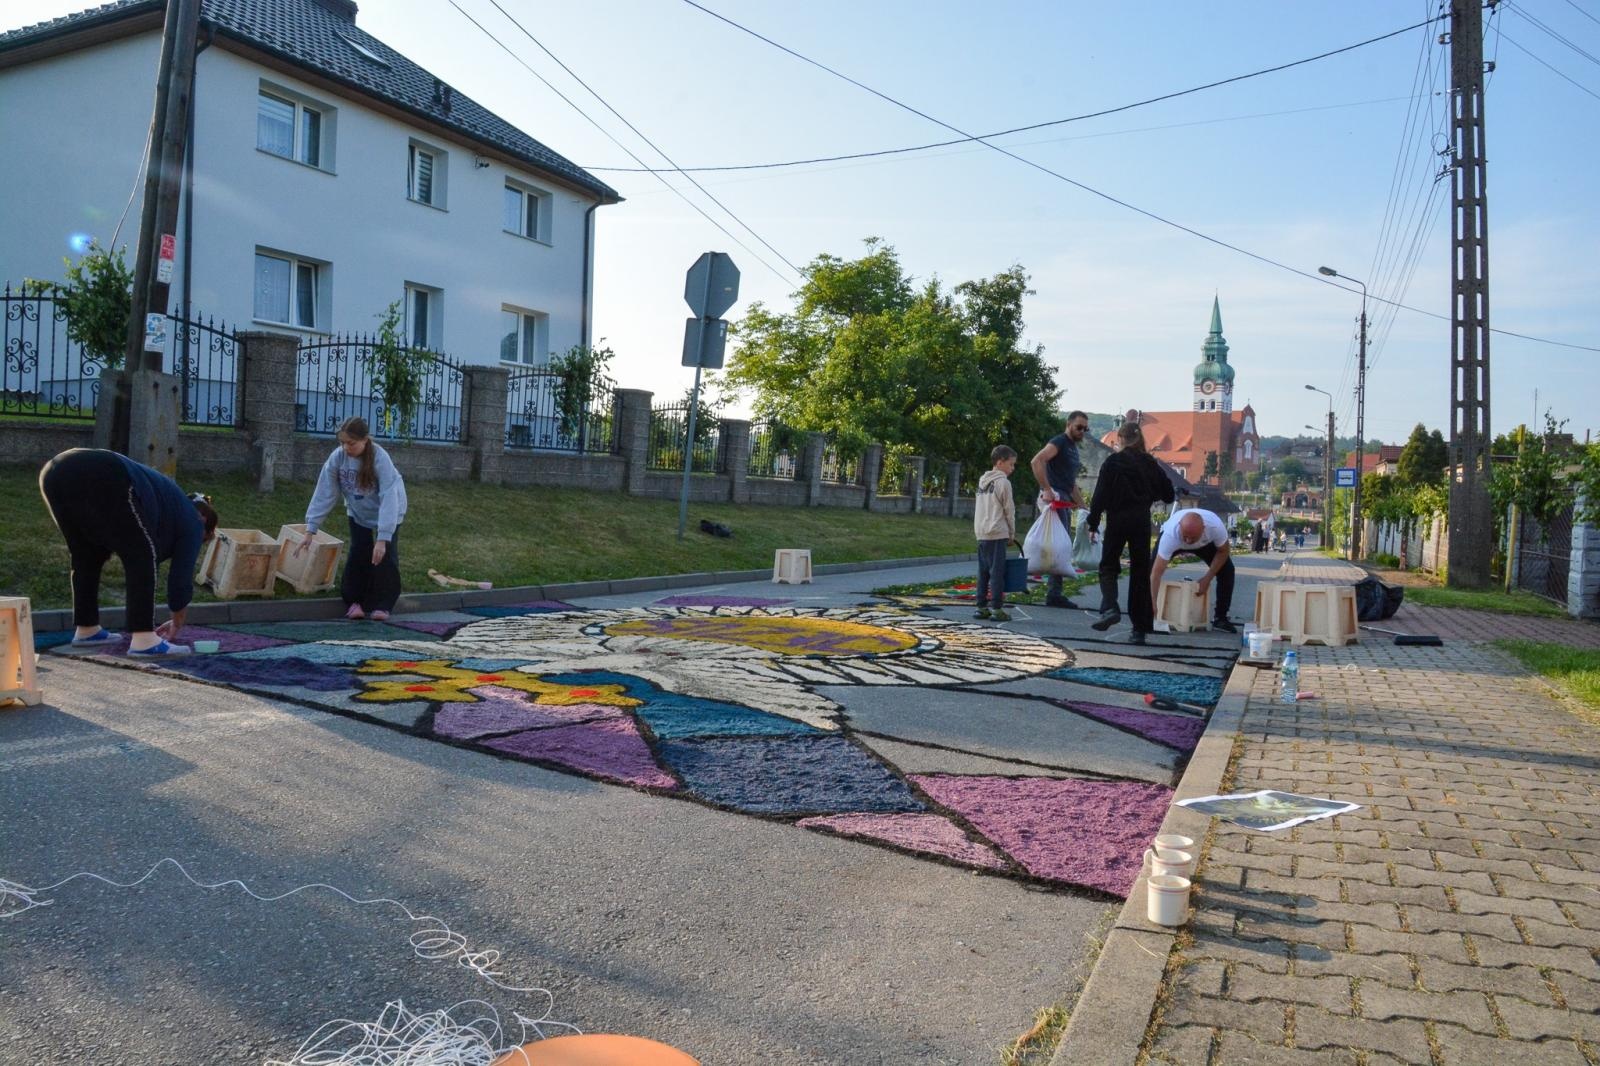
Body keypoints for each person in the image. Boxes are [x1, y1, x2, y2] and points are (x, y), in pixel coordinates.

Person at [38, 448, 217, 655]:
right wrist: (178, 621)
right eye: (203, 540)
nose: (198, 543)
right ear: (204, 523)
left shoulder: (171, 506)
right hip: (108, 472)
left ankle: (87, 629)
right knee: (140, 554)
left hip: (53, 473)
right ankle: (145, 639)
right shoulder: (194, 521)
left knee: (86, 554)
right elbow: (180, 578)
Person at [300, 416, 408, 621]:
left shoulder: (379, 458)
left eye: (351, 443)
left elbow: (389, 496)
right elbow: (325, 492)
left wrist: (383, 538)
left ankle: (383, 605)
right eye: (342, 442)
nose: (346, 447)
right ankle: (355, 601)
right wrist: (310, 529)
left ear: (365, 439)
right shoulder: (338, 458)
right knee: (359, 552)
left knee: (384, 557)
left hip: (389, 510)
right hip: (358, 511)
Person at [1084, 423, 1174, 645]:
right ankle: (1139, 629)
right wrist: (1150, 494)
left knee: (1108, 565)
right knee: (1140, 573)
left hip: (1117, 519)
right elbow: (1169, 494)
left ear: (1121, 439)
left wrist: (1093, 522)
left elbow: (1100, 495)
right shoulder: (1150, 463)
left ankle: (1110, 608)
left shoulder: (1112, 462)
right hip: (1141, 521)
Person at [1029, 410, 1091, 607]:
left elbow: (1070, 482)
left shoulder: (1072, 448)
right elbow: (1037, 461)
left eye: (1085, 429)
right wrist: (1047, 489)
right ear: (1069, 424)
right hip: (1055, 499)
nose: (1082, 431)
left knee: (1060, 544)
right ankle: (1053, 593)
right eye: (1079, 427)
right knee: (1059, 544)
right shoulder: (1060, 442)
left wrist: (1082, 505)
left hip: (1064, 496)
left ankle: (1054, 591)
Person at [1149, 507, 1238, 633]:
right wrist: (1152, 601)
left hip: (1204, 545)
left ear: (1204, 529)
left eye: (1192, 537)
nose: (1188, 541)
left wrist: (1207, 578)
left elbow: (1223, 552)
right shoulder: (1171, 535)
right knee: (1149, 569)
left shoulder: (1215, 527)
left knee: (1227, 571)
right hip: (1176, 542)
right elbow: (1156, 573)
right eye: (1186, 536)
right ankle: (1145, 611)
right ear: (1180, 526)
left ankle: (1220, 618)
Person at [972, 445, 1018, 622]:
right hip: (997, 532)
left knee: (983, 571)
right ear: (1000, 462)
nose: (1012, 468)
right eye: (1011, 464)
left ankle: (981, 606)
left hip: (982, 532)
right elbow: (1009, 510)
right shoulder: (1003, 482)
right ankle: (997, 608)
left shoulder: (983, 481)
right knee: (997, 572)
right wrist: (1011, 533)